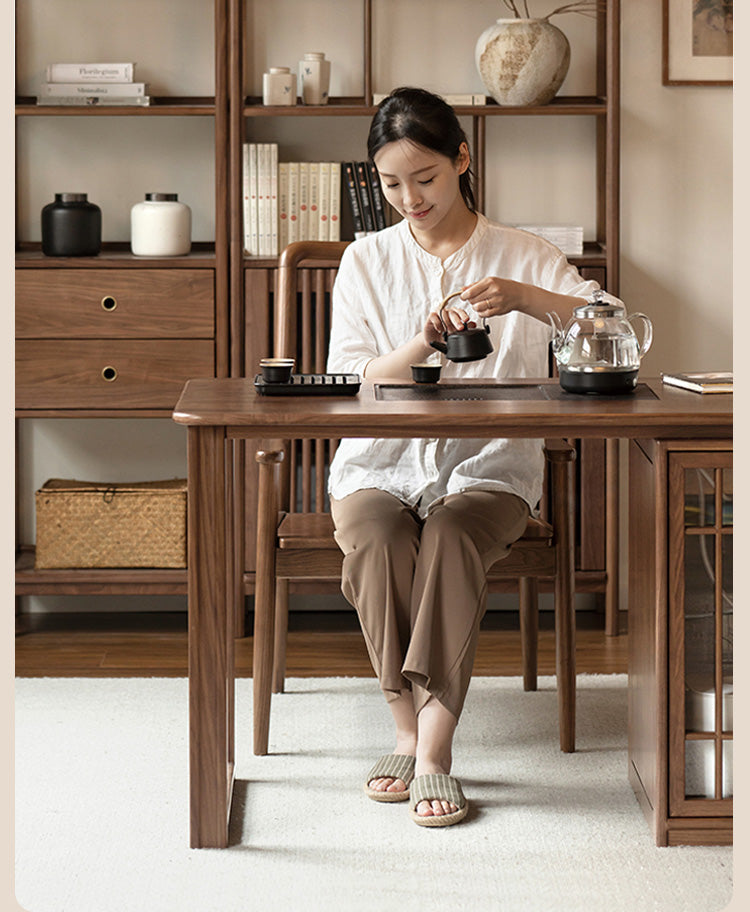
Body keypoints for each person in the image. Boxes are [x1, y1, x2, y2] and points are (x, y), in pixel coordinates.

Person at [326, 87, 620, 827]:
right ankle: (402, 721)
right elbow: (358, 379)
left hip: (490, 466)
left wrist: (523, 296)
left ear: (462, 159)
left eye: (424, 178)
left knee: (454, 532)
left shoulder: (521, 253)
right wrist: (425, 339)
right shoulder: (365, 260)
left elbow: (611, 325)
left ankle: (433, 748)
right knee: (376, 536)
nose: (409, 199)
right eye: (391, 184)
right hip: (379, 462)